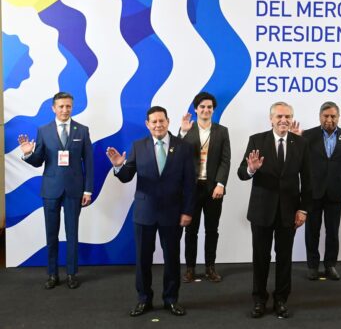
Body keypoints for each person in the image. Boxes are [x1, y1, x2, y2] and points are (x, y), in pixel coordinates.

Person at [106, 106, 195, 317]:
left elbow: (190, 183)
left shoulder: (183, 147)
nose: (158, 125)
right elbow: (127, 175)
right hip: (144, 212)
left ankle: (171, 300)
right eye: (154, 121)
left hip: (173, 213)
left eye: (161, 121)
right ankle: (144, 299)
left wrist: (187, 211)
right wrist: (118, 166)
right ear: (147, 124)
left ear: (168, 121)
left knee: (172, 259)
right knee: (143, 259)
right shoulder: (138, 146)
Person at [237, 102, 312, 319]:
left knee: (284, 258)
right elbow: (241, 172)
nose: (284, 120)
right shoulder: (257, 140)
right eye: (279, 116)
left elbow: (308, 180)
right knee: (260, 258)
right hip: (261, 211)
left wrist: (303, 209)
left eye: (288, 116)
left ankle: (281, 300)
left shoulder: (301, 143)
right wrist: (251, 169)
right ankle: (259, 300)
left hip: (289, 212)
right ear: (271, 119)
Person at [18, 91, 93, 290]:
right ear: (53, 108)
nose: (65, 110)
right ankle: (52, 274)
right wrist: (28, 154)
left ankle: (71, 274)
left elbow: (89, 162)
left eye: (68, 106)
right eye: (61, 106)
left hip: (74, 190)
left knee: (72, 234)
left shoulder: (82, 130)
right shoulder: (44, 131)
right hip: (51, 190)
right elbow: (38, 161)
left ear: (72, 107)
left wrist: (88, 190)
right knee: (51, 234)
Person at [301, 101, 341, 281]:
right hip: (313, 192)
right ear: (320, 117)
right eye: (326, 116)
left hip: (336, 192)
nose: (329, 119)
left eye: (333, 116)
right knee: (312, 231)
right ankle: (312, 265)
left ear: (338, 117)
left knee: (333, 232)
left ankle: (330, 265)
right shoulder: (307, 136)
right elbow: (300, 165)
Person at [179, 92, 231, 283]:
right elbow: (177, 154)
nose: (206, 110)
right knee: (190, 231)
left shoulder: (222, 131)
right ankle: (190, 269)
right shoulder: (187, 129)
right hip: (191, 190)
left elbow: (225, 160)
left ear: (213, 110)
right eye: (202, 107)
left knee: (212, 230)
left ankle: (210, 267)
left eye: (209, 107)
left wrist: (220, 184)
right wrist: (182, 133)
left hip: (213, 189)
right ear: (196, 109)